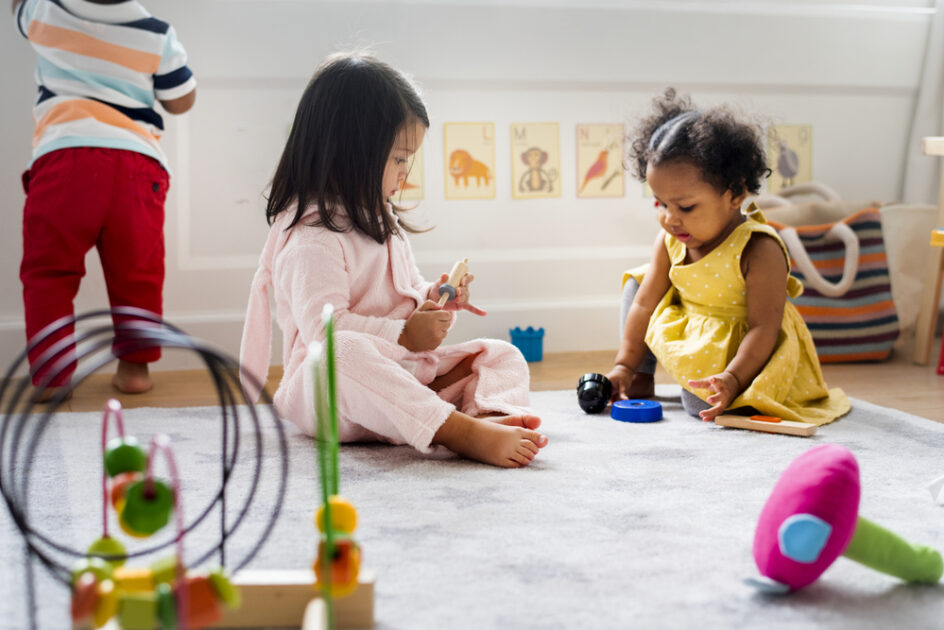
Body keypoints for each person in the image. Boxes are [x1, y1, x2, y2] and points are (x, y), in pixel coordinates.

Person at [239, 52, 548, 468]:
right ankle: (459, 431)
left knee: (499, 354)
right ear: (350, 152)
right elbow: (323, 333)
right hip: (335, 397)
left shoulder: (380, 221)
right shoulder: (311, 238)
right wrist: (404, 335)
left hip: (400, 379)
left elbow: (404, 296)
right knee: (340, 352)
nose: (405, 173)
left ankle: (489, 413)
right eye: (399, 159)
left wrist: (436, 300)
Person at [605, 89, 849, 424]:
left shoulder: (759, 249)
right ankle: (639, 377)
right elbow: (645, 304)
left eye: (686, 207)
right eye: (661, 204)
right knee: (637, 285)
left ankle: (727, 385)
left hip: (743, 346)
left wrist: (732, 379)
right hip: (692, 327)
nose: (670, 218)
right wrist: (623, 365)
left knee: (698, 406)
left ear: (734, 193)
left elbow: (764, 327)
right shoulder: (670, 239)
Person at [13, 0, 196, 399]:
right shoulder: (155, 32)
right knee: (138, 274)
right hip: (136, 165)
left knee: (49, 274)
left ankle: (51, 375)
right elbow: (181, 100)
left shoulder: (44, 11)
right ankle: (135, 369)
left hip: (63, 159)